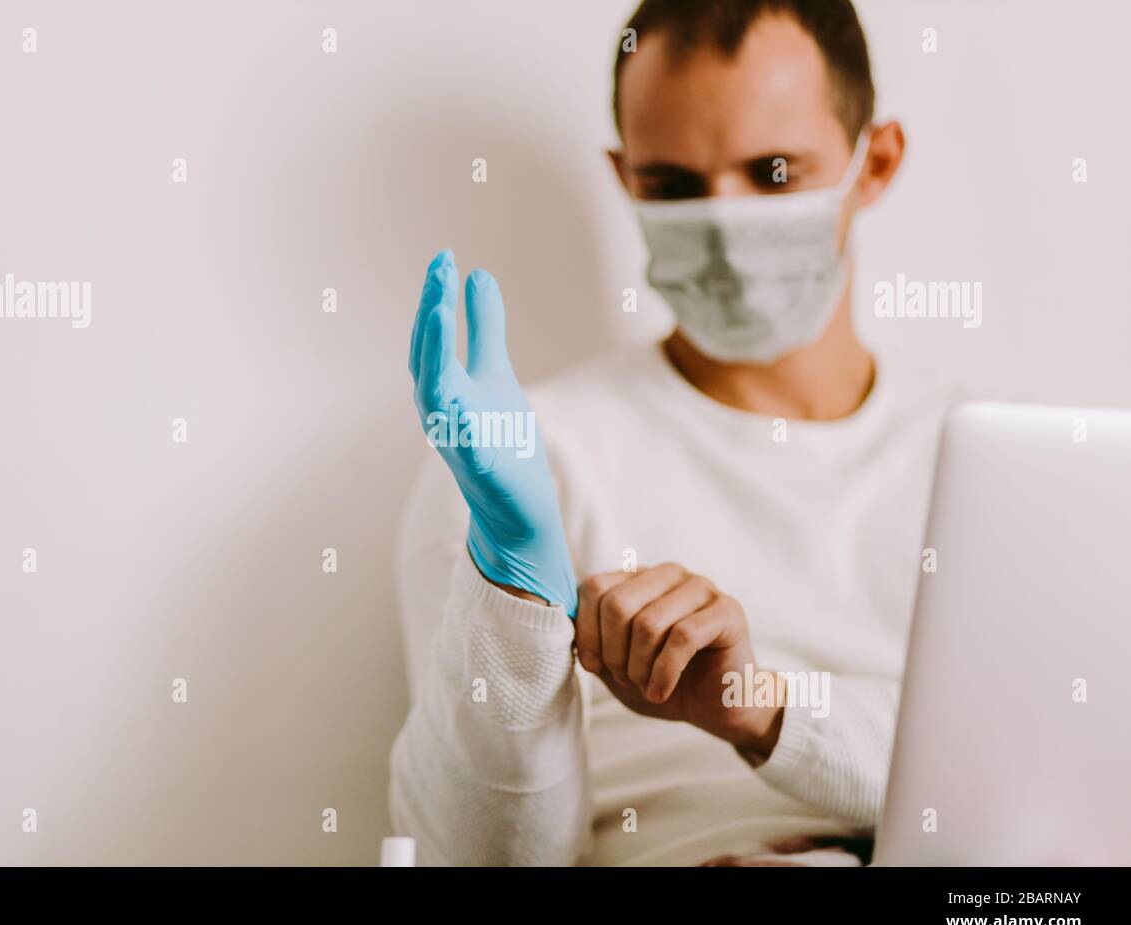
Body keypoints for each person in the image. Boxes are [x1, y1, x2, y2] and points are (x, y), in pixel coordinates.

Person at [390, 0, 960, 866]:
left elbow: (1061, 781)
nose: (723, 228)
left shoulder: (981, 462)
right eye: (673, 186)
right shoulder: (519, 458)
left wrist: (761, 704)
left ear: (874, 163)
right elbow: (466, 859)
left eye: (772, 172)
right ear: (625, 178)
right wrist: (511, 598)